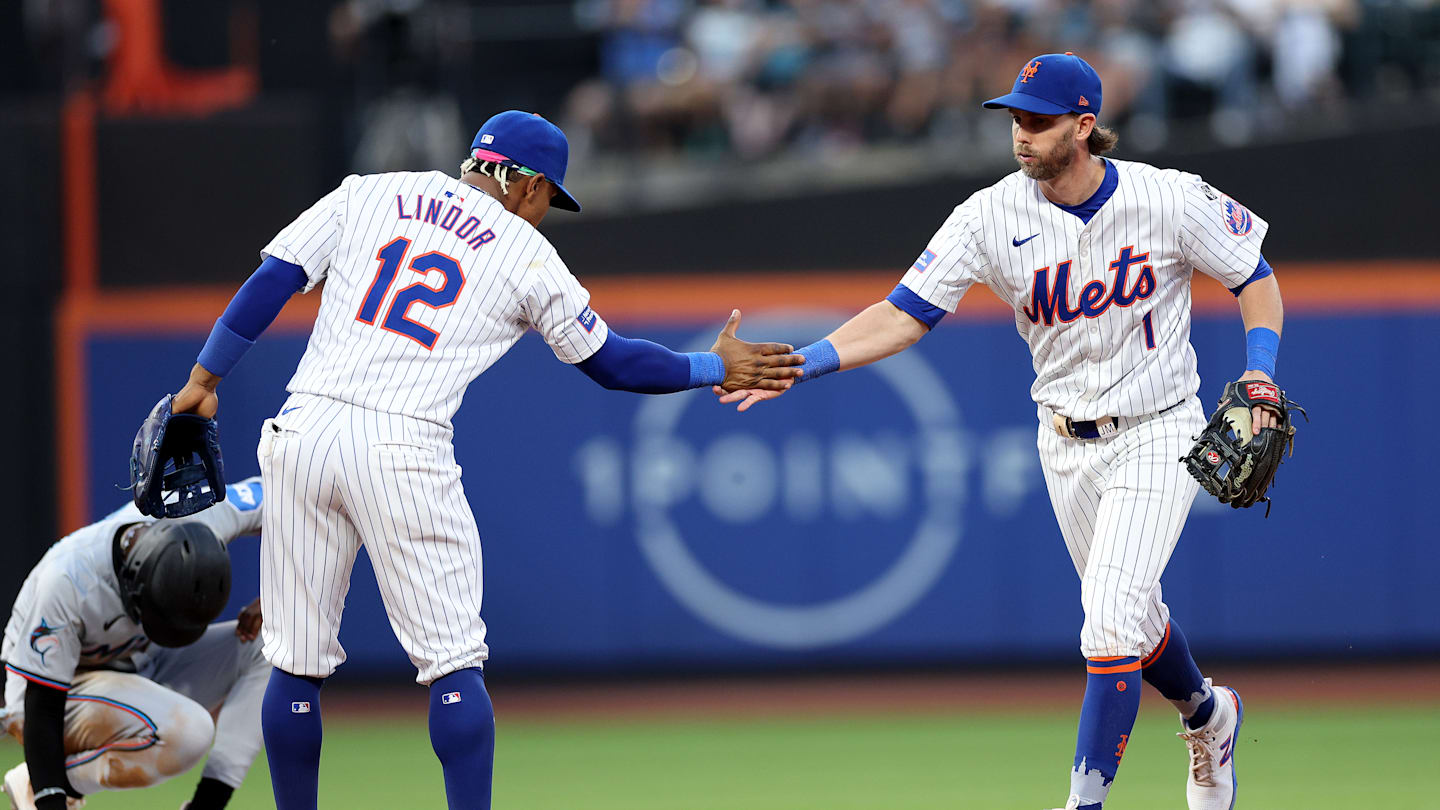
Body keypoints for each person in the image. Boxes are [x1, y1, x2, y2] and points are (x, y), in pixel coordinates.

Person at [164, 110, 802, 810]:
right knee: (452, 664)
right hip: (402, 443)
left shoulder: (369, 190)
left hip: (302, 431)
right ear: (524, 183)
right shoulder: (526, 254)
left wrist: (204, 379)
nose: (544, 209)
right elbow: (614, 364)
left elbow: (276, 277)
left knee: (294, 661)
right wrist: (714, 366)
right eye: (548, 195)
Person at [718, 53, 1284, 810]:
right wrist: (802, 364)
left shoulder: (1168, 197)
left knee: (1107, 620)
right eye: (1015, 117)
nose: (1021, 133)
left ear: (1083, 126)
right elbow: (901, 314)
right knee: (1133, 615)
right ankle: (1210, 716)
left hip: (1159, 428)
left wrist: (1260, 373)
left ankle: (1083, 802)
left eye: (1038, 121)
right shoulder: (987, 215)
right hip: (1064, 441)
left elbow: (1254, 275)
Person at [1, 478, 268, 810]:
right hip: (45, 694)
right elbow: (43, 707)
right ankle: (36, 781)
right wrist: (49, 794)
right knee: (189, 734)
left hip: (136, 662)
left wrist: (280, 592)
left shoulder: (202, 516)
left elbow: (291, 498)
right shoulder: (68, 580)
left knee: (269, 643)